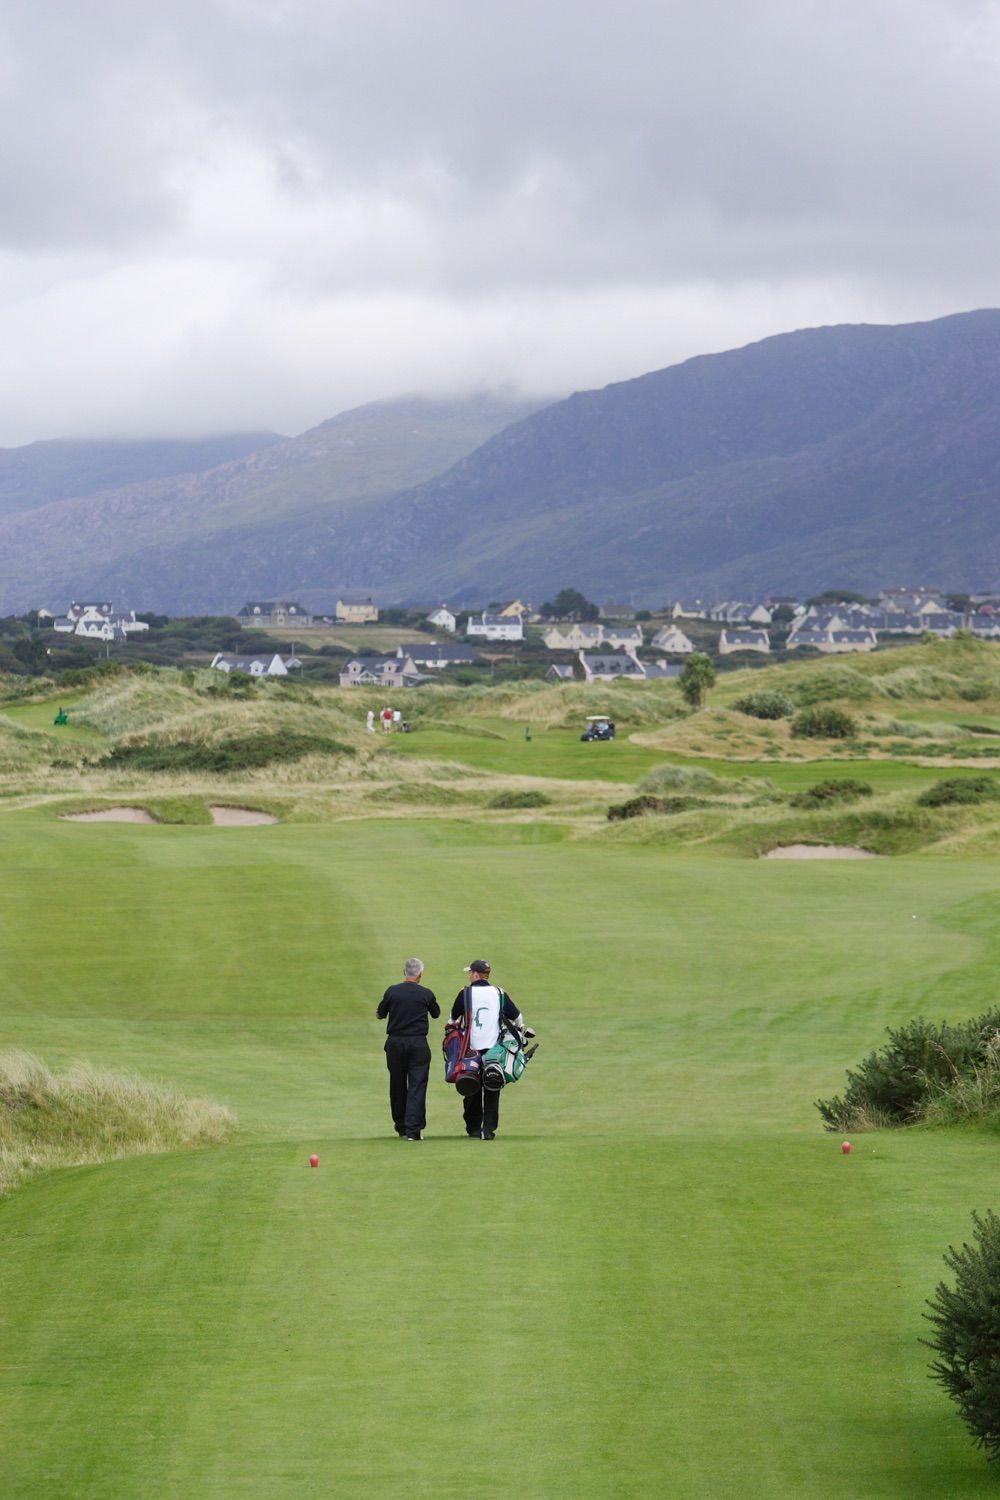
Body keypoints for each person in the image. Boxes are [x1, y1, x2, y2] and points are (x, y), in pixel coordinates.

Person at [450, 960, 528, 1140]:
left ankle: (473, 1128)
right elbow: (517, 1018)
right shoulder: (499, 993)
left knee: (470, 1086)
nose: (469, 975)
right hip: (494, 1049)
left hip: (470, 1049)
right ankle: (489, 1130)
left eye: (470, 973)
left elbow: (453, 1019)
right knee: (493, 1086)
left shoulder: (465, 993)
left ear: (476, 974)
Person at [376, 958, 440, 1140]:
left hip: (395, 1043)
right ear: (420, 974)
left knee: (397, 1084)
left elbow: (380, 1013)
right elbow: (436, 1014)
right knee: (417, 1085)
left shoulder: (392, 991)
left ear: (404, 972)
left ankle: (401, 1125)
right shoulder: (425, 994)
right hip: (418, 1043)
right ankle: (413, 1130)